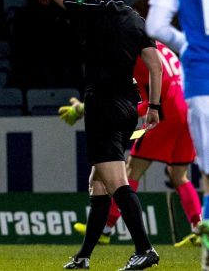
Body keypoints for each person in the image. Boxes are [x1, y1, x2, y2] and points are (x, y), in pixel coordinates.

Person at [25, 0, 162, 270]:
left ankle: (144, 249)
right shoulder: (135, 18)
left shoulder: (93, 8)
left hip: (102, 103)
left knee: (115, 180)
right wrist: (155, 107)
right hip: (129, 105)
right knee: (98, 181)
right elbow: (155, 65)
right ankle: (84, 257)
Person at [59, 41, 201, 247]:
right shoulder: (161, 47)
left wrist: (89, 108)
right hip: (188, 109)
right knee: (178, 174)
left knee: (131, 169)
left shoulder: (136, 55)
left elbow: (148, 100)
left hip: (166, 111)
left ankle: (105, 229)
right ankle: (199, 229)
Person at [144, 0, 209, 269]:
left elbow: (155, 23)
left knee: (205, 171)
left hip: (198, 82)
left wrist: (189, 46)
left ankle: (207, 231)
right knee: (185, 174)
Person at [10, 0, 81, 90]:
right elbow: (21, 45)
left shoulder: (61, 16)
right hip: (32, 64)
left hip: (56, 65)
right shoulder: (23, 16)